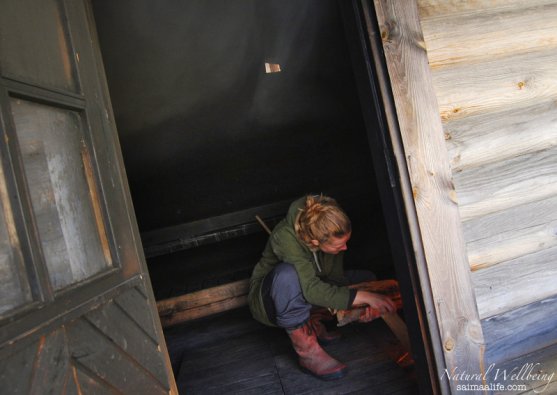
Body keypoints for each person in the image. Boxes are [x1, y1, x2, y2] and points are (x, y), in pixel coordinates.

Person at [248, 194, 396, 380]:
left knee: (367, 278)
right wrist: (364, 296)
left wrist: (358, 308)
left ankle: (314, 321)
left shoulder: (329, 224)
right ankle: (308, 351)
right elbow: (311, 290)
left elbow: (335, 281)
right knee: (288, 275)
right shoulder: (285, 237)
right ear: (316, 242)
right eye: (339, 246)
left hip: (309, 288)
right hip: (269, 300)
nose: (345, 249)